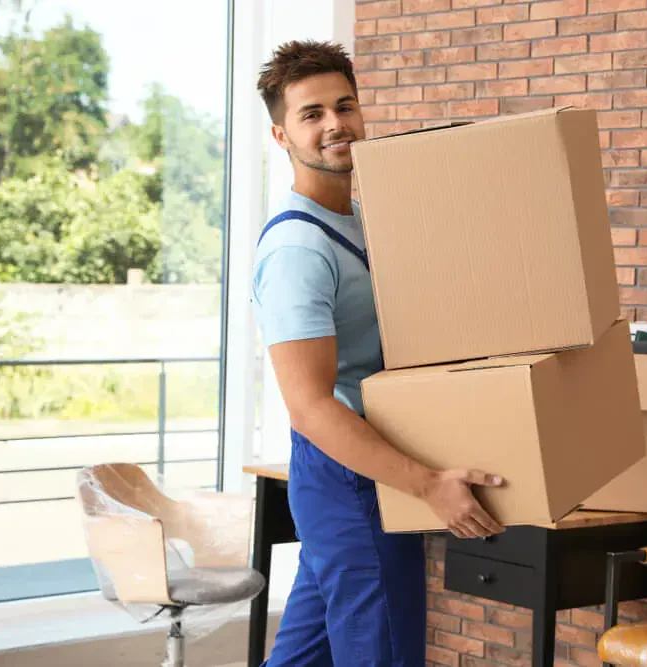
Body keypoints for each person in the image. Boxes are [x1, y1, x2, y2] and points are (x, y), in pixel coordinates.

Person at [251, 40, 504, 666]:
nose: (335, 124)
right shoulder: (297, 251)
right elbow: (310, 406)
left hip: (362, 466)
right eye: (312, 115)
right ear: (282, 135)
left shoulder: (363, 219)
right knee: (383, 653)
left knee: (304, 657)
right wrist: (428, 484)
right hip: (349, 468)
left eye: (345, 106)